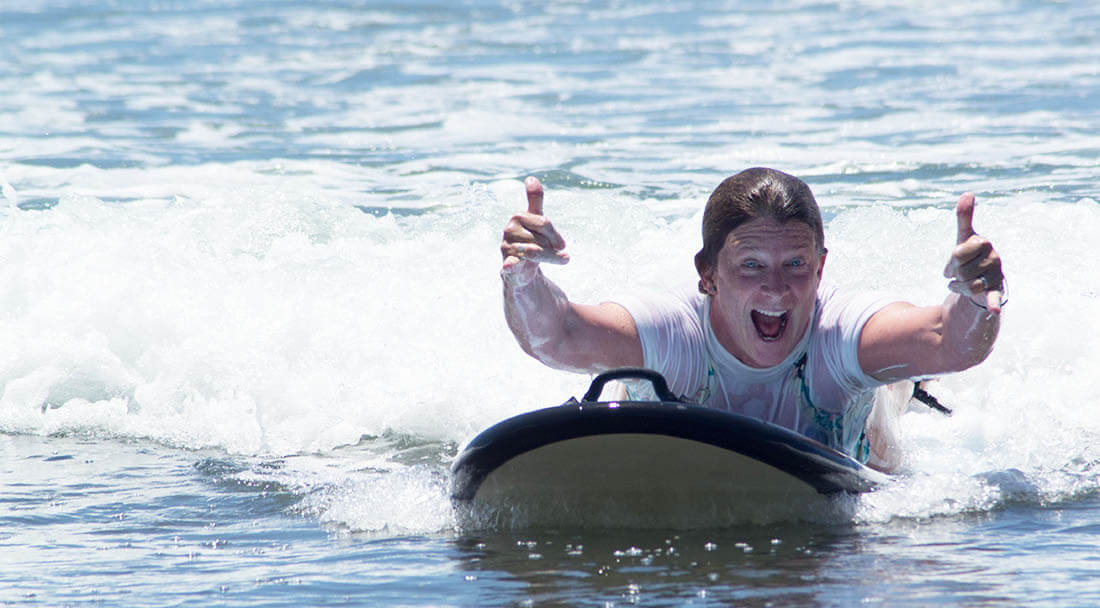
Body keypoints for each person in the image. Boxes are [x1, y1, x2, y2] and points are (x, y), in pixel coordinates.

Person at [500, 167, 1004, 471]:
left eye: (796, 265)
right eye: (751, 266)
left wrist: (974, 300)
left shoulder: (839, 332)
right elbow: (559, 336)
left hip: (857, 443)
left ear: (821, 267)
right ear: (708, 275)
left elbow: (950, 340)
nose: (776, 288)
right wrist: (523, 278)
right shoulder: (673, 332)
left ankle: (902, 389)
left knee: (891, 416)